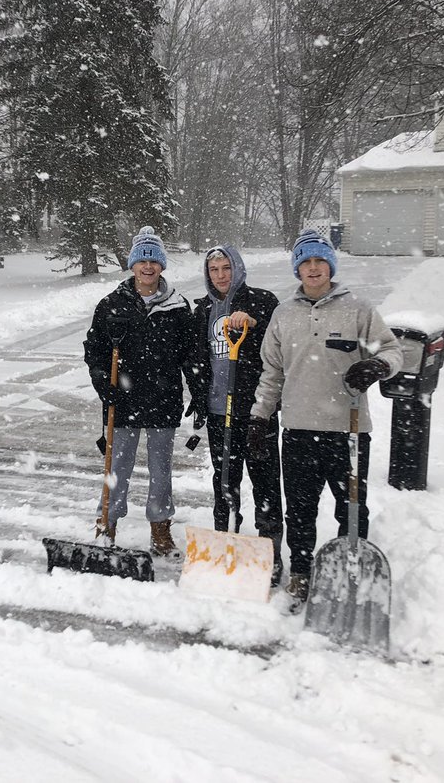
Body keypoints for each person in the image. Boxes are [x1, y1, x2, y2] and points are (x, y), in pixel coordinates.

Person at [246, 228, 403, 606]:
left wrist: (378, 365)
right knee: (300, 509)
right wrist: (259, 417)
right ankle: (301, 573)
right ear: (297, 269)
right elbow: (272, 372)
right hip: (298, 430)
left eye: (320, 261)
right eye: (306, 262)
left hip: (348, 431)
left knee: (352, 508)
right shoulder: (284, 314)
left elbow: (393, 350)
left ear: (331, 265)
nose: (314, 268)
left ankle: (351, 571)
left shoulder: (359, 309)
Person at [84, 226, 194, 557]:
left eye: (154, 261)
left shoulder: (177, 306)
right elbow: (94, 350)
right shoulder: (112, 304)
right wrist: (102, 382)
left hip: (163, 398)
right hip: (123, 399)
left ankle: (160, 527)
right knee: (118, 465)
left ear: (162, 265)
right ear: (133, 265)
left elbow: (190, 355)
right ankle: (107, 522)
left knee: (161, 468)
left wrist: (198, 392)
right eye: (142, 261)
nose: (148, 267)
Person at [186, 245, 284, 586]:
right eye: (214, 270)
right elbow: (195, 358)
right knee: (225, 480)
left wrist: (254, 323)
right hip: (218, 411)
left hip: (257, 412)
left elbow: (279, 343)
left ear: (237, 268)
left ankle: (269, 550)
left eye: (226, 268)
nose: (221, 275)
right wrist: (199, 396)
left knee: (265, 481)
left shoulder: (262, 301)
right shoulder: (203, 310)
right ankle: (225, 540)